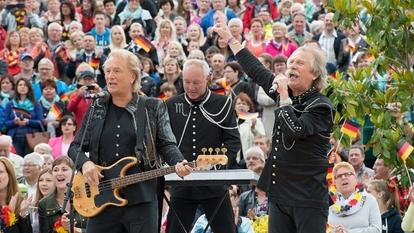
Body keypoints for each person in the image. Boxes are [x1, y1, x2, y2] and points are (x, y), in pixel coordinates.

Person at [214, 22, 334, 233]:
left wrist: (285, 98)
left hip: (308, 197)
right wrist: (232, 41)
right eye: (291, 62)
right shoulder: (284, 94)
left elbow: (295, 130)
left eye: (299, 63)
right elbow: (256, 70)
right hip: (279, 194)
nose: (291, 66)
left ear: (314, 74)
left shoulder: (321, 106)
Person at [68, 49, 191, 233]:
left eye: (116, 71)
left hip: (141, 199)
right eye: (107, 71)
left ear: (133, 76)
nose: (110, 76)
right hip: (101, 199)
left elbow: (166, 143)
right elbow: (75, 147)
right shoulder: (97, 108)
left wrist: (178, 161)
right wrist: (85, 164)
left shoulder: (152, 106)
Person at [165, 58, 241, 233]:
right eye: (187, 82)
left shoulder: (223, 103)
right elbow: (164, 142)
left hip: (214, 184)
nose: (191, 87)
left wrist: (219, 166)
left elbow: (233, 141)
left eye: (196, 82)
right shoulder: (170, 104)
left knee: (227, 229)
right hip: (181, 183)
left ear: (208, 78)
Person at [328, 162, 381, 233]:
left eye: (347, 174)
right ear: (335, 183)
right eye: (339, 176)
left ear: (355, 178)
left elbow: (377, 230)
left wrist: (348, 232)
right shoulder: (328, 203)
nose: (343, 177)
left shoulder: (369, 200)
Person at [38, 156, 86, 233]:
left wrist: (74, 230)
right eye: (55, 170)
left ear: (75, 173)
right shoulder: (44, 204)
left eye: (64, 169)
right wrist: (61, 228)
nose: (59, 173)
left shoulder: (87, 199)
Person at [0, 157, 32, 233]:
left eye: (0, 172)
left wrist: (23, 214)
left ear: (10, 175)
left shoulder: (20, 202)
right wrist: (9, 214)